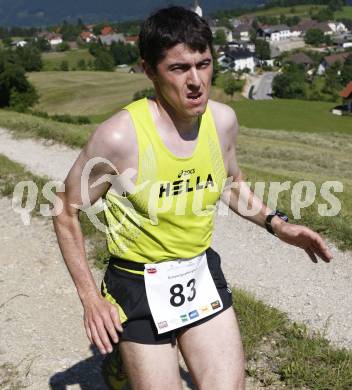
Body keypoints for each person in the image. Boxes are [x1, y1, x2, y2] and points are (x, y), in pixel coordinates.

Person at [52, 6, 333, 390]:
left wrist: (278, 225)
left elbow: (230, 183)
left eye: (204, 64)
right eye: (179, 68)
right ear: (149, 71)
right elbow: (64, 210)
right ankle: (123, 356)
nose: (197, 81)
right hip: (137, 283)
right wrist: (90, 298)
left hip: (198, 272)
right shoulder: (119, 138)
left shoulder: (222, 122)